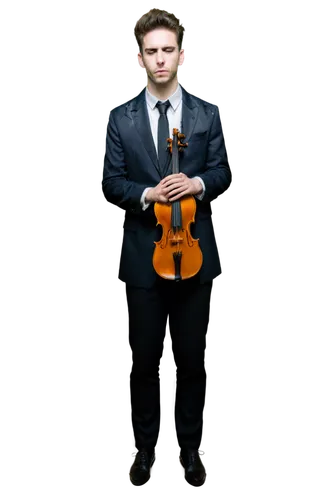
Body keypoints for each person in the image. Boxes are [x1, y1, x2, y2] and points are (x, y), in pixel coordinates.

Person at [101, 6, 231, 488]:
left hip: (197, 256)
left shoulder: (206, 114)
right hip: (142, 257)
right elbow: (110, 182)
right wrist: (146, 193)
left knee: (194, 360)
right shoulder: (120, 119)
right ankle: (143, 452)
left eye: (168, 51)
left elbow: (222, 175)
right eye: (150, 52)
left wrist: (195, 182)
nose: (160, 60)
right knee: (145, 363)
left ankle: (192, 451)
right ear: (139, 59)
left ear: (184, 56)